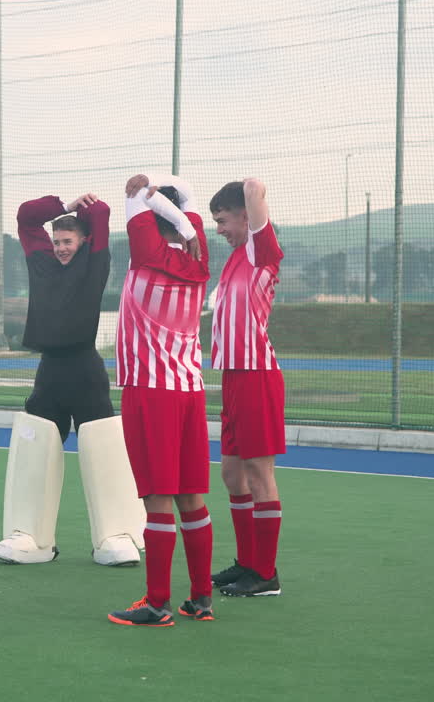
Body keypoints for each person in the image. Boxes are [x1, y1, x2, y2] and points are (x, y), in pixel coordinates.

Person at [0, 192, 146, 567]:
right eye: (57, 241)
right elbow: (27, 216)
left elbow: (103, 212)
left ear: (83, 241)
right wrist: (64, 206)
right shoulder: (41, 261)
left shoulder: (94, 262)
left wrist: (84, 210)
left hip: (86, 370)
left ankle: (114, 535)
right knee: (37, 445)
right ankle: (31, 538)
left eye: (68, 241)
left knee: (103, 446)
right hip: (49, 372)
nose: (61, 248)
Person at [107, 173, 215, 626]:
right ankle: (201, 599)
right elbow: (186, 196)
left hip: (152, 392)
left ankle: (156, 603)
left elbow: (134, 198)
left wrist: (144, 192)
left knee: (157, 497)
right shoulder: (199, 257)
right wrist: (181, 215)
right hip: (190, 391)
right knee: (191, 496)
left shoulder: (147, 256)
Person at [207, 178, 286, 598]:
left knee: (258, 473)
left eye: (222, 220)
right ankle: (247, 563)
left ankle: (266, 574)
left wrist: (246, 191)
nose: (218, 228)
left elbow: (255, 189)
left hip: (257, 375)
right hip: (234, 377)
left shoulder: (261, 251)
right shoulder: (236, 257)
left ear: (245, 217)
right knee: (231, 473)